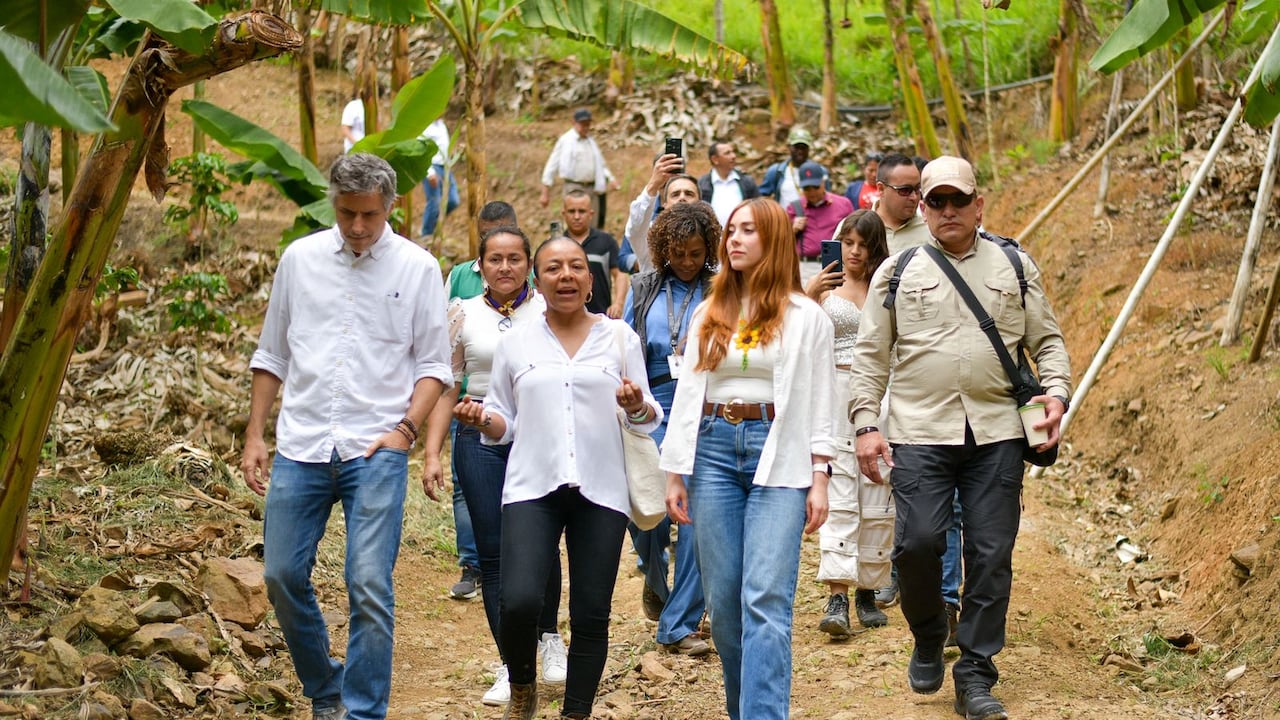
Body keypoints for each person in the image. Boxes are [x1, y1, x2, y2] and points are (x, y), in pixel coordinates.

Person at [848, 156, 1072, 720]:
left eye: (958, 201)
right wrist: (866, 425)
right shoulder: (896, 273)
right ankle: (928, 633)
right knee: (918, 543)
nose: (948, 211)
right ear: (922, 207)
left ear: (978, 204)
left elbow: (1047, 343)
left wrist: (1057, 395)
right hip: (920, 430)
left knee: (991, 555)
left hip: (997, 431)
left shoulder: (1014, 264)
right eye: (936, 202)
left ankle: (975, 670)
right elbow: (870, 359)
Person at [240, 153, 452, 720]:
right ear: (332, 203)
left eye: (369, 215)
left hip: (377, 447)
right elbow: (272, 353)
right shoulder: (300, 259)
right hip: (302, 442)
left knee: (368, 585)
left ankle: (362, 712)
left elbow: (434, 365)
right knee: (281, 575)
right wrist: (255, 435)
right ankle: (325, 689)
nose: (357, 227)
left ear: (390, 207)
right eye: (345, 213)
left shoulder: (417, 267)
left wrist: (406, 430)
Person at [455, 237, 662, 720]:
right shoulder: (516, 344)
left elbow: (646, 415)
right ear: (538, 280)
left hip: (602, 488)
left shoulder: (618, 338)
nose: (565, 275)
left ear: (590, 282)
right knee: (520, 598)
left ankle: (576, 712)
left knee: (592, 611)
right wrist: (483, 419)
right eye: (553, 268)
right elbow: (505, 421)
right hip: (533, 486)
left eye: (576, 267)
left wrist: (635, 405)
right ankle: (523, 684)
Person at [661, 198, 834, 720]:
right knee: (727, 609)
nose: (734, 240)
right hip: (712, 452)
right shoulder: (707, 311)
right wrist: (676, 470)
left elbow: (823, 399)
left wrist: (821, 475)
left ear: (775, 239)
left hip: (777, 451)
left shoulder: (806, 316)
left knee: (765, 601)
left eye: (748, 231)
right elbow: (689, 392)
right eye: (731, 231)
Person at [421, 226, 566, 706]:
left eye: (515, 259)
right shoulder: (462, 315)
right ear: (478, 266)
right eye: (495, 259)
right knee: (493, 553)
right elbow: (446, 384)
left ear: (529, 264)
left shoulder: (549, 311)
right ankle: (511, 665)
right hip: (477, 434)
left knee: (542, 542)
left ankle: (549, 638)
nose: (505, 267)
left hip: (537, 434)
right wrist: (431, 452)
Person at [622, 202, 720, 656]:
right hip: (653, 403)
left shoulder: (721, 288)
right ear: (664, 250)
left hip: (703, 404)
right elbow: (624, 344)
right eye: (678, 253)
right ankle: (658, 582)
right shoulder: (643, 288)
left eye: (696, 253)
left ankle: (677, 622)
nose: (687, 262)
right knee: (647, 512)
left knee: (695, 519)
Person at [802, 210, 893, 638]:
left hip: (878, 392)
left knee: (878, 484)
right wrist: (809, 293)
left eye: (864, 245)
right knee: (837, 484)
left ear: (876, 247)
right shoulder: (826, 284)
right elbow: (797, 332)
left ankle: (868, 590)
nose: (855, 252)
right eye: (849, 243)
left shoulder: (886, 286)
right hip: (834, 387)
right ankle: (837, 594)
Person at [539, 108, 621, 228]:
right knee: (575, 224)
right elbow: (552, 164)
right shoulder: (566, 141)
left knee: (592, 225)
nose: (585, 127)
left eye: (588, 124)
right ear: (574, 123)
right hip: (574, 187)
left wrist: (611, 179)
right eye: (582, 124)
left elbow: (600, 164)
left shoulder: (591, 142)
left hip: (592, 189)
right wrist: (545, 192)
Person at [621, 160, 700, 275]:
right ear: (665, 204)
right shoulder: (651, 236)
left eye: (689, 194)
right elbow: (635, 228)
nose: (682, 198)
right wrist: (653, 185)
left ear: (700, 202)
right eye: (675, 194)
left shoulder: (713, 238)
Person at [561, 190, 626, 317]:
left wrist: (618, 303)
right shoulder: (556, 246)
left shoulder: (606, 241)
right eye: (571, 211)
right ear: (564, 214)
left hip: (600, 319)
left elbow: (620, 274)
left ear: (591, 214)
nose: (576, 216)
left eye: (582, 211)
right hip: (564, 320)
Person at [444, 202, 520, 300]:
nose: (495, 243)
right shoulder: (458, 278)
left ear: (518, 233)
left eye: (502, 234)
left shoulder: (537, 277)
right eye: (486, 235)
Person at [785, 161, 854, 261]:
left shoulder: (843, 204)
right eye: (807, 188)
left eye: (816, 187)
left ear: (823, 182)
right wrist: (792, 230)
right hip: (805, 264)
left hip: (835, 262)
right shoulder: (794, 208)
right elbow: (781, 242)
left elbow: (855, 234)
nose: (812, 192)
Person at [873, 153, 932, 255]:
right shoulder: (855, 228)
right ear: (881, 189)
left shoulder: (930, 231)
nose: (914, 197)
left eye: (917, 189)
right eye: (905, 190)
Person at [759, 127, 826, 209]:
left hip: (813, 219)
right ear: (789, 147)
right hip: (785, 219)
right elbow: (762, 196)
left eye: (803, 147)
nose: (800, 151)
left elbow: (827, 197)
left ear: (809, 149)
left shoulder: (820, 171)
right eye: (796, 147)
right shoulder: (777, 171)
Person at [697, 140, 760, 226]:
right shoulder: (702, 185)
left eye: (733, 152)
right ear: (715, 159)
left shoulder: (747, 182)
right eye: (727, 153)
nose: (733, 156)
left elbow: (758, 209)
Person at [420, 117, 460, 236]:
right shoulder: (425, 126)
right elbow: (421, 151)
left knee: (453, 200)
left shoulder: (441, 124)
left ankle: (435, 225)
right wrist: (429, 172)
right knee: (434, 202)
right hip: (433, 166)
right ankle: (426, 234)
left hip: (445, 166)